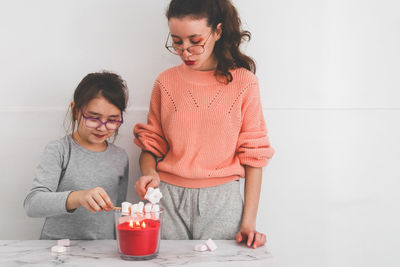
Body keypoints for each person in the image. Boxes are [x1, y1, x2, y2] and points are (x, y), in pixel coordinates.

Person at [134, 0, 274, 249]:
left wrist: (249, 221)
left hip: (222, 201)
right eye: (177, 41)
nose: (185, 51)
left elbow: (254, 157)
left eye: (195, 41)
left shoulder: (245, 83)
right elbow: (152, 146)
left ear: (217, 32)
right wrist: (149, 173)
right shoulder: (165, 82)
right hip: (167, 198)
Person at [24, 71, 129, 240]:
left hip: (102, 253)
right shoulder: (59, 150)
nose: (102, 128)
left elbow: (119, 213)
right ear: (74, 110)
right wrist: (79, 197)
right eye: (94, 118)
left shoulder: (121, 157)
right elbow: (32, 204)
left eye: (112, 120)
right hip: (57, 251)